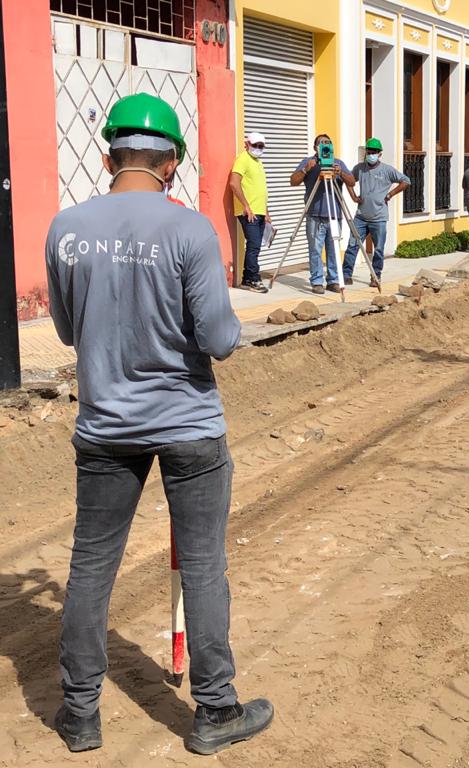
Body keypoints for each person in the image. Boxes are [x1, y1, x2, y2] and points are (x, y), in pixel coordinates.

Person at [45, 93, 273, 756]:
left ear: (107, 152)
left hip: (105, 426)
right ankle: (214, 712)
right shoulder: (191, 230)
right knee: (202, 564)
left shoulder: (66, 227)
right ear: (172, 162)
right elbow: (220, 338)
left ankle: (80, 714)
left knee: (91, 565)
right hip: (188, 424)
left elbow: (65, 329)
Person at [290, 134, 356, 294]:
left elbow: (352, 182)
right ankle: (317, 281)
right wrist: (307, 169)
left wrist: (340, 173)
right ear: (315, 147)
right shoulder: (308, 162)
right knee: (315, 251)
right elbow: (293, 181)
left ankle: (333, 281)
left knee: (333, 250)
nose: (325, 146)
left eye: (328, 143)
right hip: (315, 215)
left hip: (334, 215)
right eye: (322, 143)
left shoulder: (338, 163)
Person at [343, 137, 410, 286]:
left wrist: (390, 194)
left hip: (379, 217)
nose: (371, 154)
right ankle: (346, 275)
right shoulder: (359, 168)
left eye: (374, 152)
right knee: (352, 245)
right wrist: (353, 196)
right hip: (361, 217)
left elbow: (406, 181)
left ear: (380, 154)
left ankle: (375, 276)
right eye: (369, 151)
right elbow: (349, 180)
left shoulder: (387, 170)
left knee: (378, 249)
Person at [229, 131, 270, 293]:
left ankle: (247, 277)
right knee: (253, 245)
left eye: (261, 146)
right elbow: (234, 183)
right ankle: (253, 278)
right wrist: (246, 206)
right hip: (249, 212)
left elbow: (260, 189)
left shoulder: (258, 162)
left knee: (255, 246)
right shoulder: (243, 159)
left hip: (259, 211)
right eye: (255, 145)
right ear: (247, 144)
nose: (258, 148)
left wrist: (266, 211)